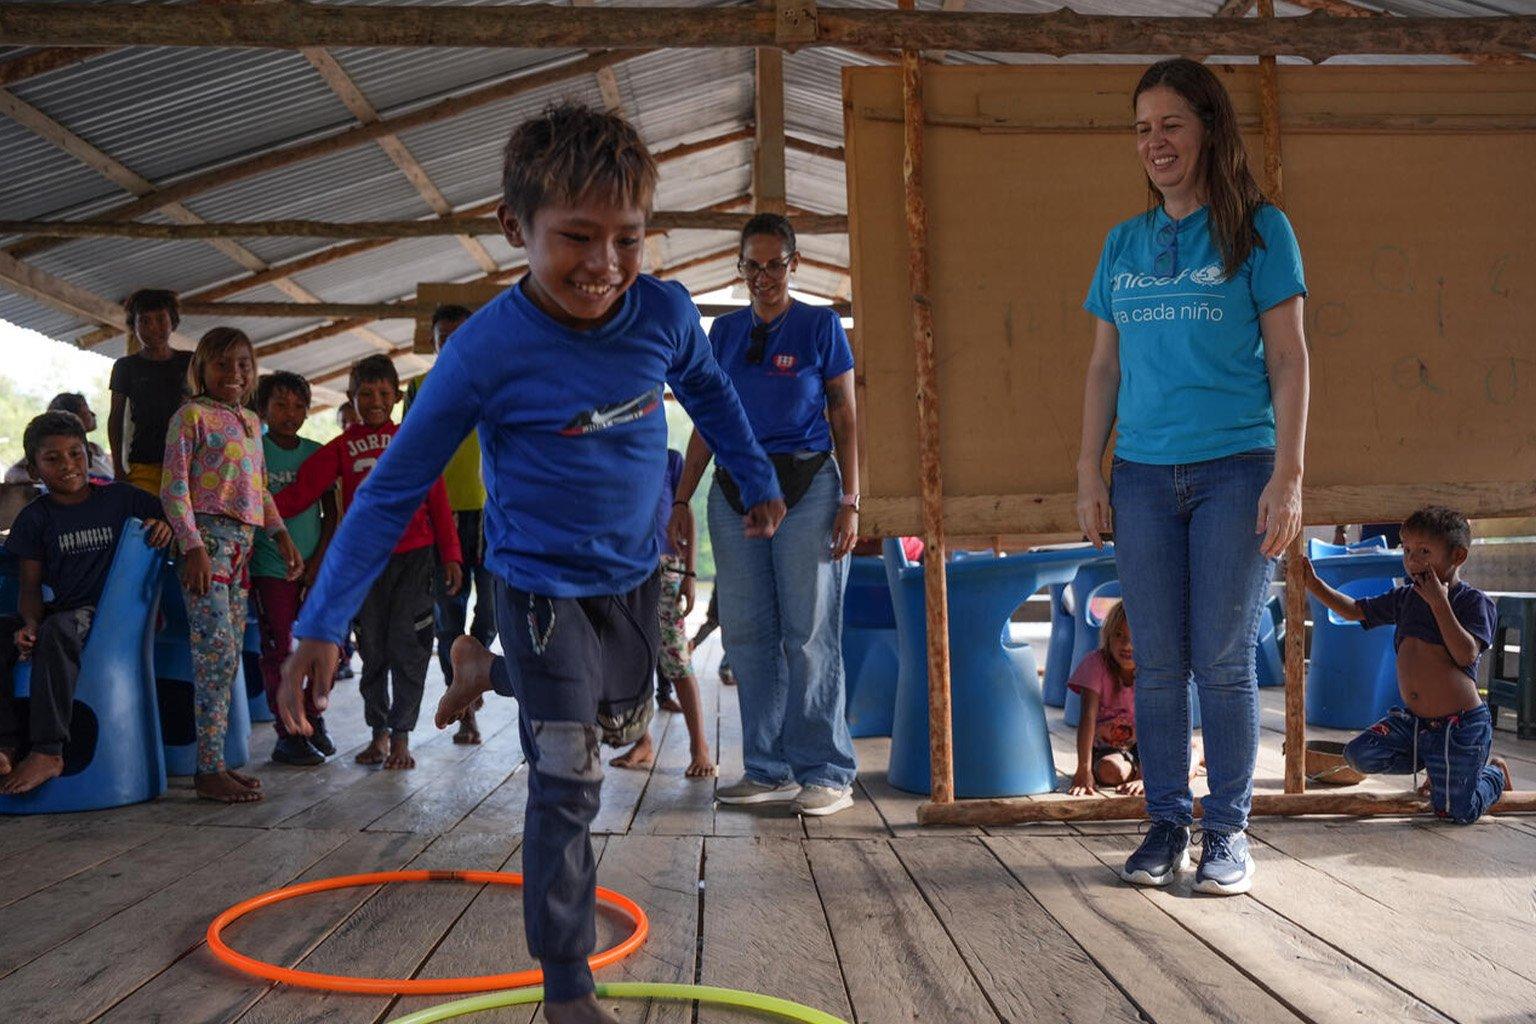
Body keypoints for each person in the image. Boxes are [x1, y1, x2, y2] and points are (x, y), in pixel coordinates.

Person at [277, 103, 782, 1024]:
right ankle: (567, 984)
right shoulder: (484, 352)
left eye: (627, 239)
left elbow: (711, 392)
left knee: (625, 717)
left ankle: (482, 667)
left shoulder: (665, 312)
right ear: (516, 228)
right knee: (570, 774)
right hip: (537, 582)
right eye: (576, 238)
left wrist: (756, 480)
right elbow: (391, 489)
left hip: (632, 575)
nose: (605, 265)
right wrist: (320, 621)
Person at [1075, 58, 1309, 896]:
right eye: (1143, 128)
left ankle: (1228, 832)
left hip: (1237, 468)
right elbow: (1105, 368)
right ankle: (1166, 822)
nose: (1156, 142)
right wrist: (1089, 469)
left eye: (1171, 123)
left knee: (1223, 658)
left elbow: (1289, 359)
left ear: (1209, 127)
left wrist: (1290, 473)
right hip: (1140, 475)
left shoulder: (1262, 231)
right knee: (1159, 660)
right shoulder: (1123, 243)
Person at [670, 212, 860, 818]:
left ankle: (826, 771)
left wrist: (851, 501)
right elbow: (707, 421)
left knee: (808, 634)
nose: (764, 277)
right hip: (735, 491)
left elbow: (845, 415)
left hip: (808, 486)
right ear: (741, 269)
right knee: (749, 634)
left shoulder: (820, 326)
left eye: (775, 264)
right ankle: (766, 767)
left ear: (793, 263)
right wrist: (681, 498)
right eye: (752, 266)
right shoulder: (723, 332)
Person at [276, 355, 461, 771]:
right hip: (365, 565)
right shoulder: (340, 447)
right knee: (373, 649)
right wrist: (257, 509)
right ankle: (378, 734)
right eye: (365, 394)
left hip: (415, 559)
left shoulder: (412, 440)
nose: (375, 401)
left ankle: (401, 737)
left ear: (396, 397)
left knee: (409, 648)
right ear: (350, 398)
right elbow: (302, 491)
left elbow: (437, 498)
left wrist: (451, 554)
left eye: (383, 393)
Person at [161, 328, 303, 804]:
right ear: (201, 369)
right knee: (216, 657)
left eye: (243, 363)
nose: (234, 373)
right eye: (222, 364)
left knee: (226, 660)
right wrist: (192, 546)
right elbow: (174, 489)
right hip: (207, 548)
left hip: (242, 550)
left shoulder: (250, 421)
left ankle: (216, 764)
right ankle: (208, 770)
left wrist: (280, 535)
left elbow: (259, 488)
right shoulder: (190, 416)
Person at [1302, 506, 1511, 822]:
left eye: (1424, 552)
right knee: (1359, 754)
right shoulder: (1405, 598)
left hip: (1460, 727)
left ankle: (1493, 773)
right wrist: (1314, 584)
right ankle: (1439, 767)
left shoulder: (1472, 602)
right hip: (1416, 724)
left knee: (1456, 812)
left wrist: (1439, 604)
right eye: (1408, 550)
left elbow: (1466, 655)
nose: (1412, 561)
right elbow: (1354, 610)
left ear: (1457, 556)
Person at [0, 412, 172, 794]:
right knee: (8, 631)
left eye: (75, 454)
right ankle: (6, 743)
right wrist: (29, 625)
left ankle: (48, 750)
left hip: (107, 620)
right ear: (34, 469)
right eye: (53, 458)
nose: (67, 465)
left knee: (58, 628)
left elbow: (175, 515)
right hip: (60, 615)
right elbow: (29, 588)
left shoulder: (122, 498)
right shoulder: (34, 518)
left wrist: (165, 524)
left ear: (89, 456)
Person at [405, 304, 497, 745]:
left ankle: (474, 672)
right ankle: (463, 713)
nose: (455, 343)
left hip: (495, 515)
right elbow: (411, 452)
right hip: (443, 518)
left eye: (463, 334)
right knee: (448, 618)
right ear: (434, 342)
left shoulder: (496, 381)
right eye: (446, 337)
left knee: (493, 612)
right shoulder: (418, 387)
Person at [611, 447, 715, 777]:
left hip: (666, 568)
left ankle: (700, 747)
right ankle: (642, 741)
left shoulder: (671, 460)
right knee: (631, 660)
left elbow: (687, 517)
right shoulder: (614, 456)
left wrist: (690, 574)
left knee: (677, 658)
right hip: (624, 568)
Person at [252, 372, 338, 766]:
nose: (291, 413)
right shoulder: (254, 452)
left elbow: (331, 514)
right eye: (281, 405)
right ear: (263, 409)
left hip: (313, 571)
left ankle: (313, 721)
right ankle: (288, 733)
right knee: (279, 652)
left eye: (299, 406)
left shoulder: (317, 453)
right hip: (270, 569)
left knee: (322, 645)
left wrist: (318, 563)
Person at [109, 289, 193, 493]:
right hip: (144, 462)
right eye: (144, 321)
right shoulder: (125, 367)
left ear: (173, 322)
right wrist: (118, 468)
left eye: (161, 319)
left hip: (189, 460)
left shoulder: (190, 362)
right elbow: (115, 418)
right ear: (134, 326)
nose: (153, 327)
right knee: (147, 512)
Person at [1066, 601, 1142, 796]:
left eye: (1135, 637)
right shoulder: (1096, 663)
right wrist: (1083, 769)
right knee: (1111, 771)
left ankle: (1195, 753)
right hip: (1107, 748)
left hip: (1148, 746)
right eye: (1119, 635)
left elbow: (1159, 722)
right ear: (1108, 636)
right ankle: (1132, 768)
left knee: (1179, 766)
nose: (1127, 645)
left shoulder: (1152, 668)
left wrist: (1146, 775)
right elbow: (1087, 717)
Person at [4, 394, 114, 485]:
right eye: (86, 411)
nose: (93, 414)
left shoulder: (96, 449)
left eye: (75, 454)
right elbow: (13, 474)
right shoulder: (48, 450)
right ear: (72, 416)